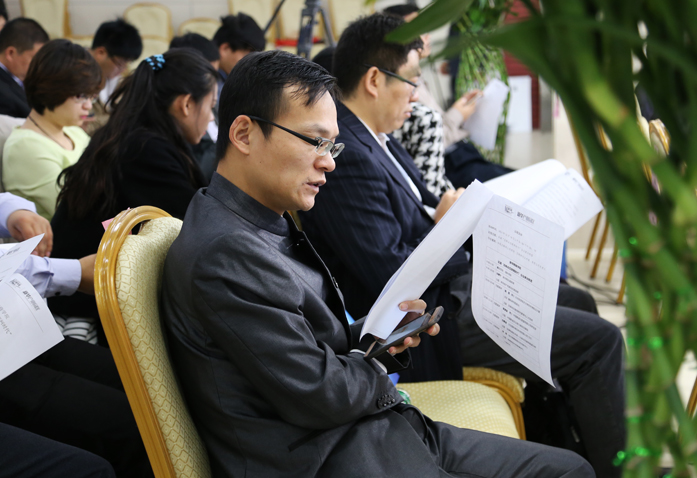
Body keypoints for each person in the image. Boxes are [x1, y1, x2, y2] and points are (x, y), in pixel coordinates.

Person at [159, 49, 593, 478]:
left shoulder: (250, 221)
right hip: (335, 458)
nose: (329, 161)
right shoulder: (225, 253)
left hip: (370, 436)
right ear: (244, 134)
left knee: (570, 468)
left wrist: (379, 334)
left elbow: (304, 347)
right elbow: (321, 394)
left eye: (332, 144)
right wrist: (377, 360)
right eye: (315, 141)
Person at [299, 13, 625, 478]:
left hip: (452, 290)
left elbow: (425, 214)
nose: (416, 94)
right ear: (374, 80)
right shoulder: (349, 155)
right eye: (411, 80)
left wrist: (465, 219)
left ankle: (568, 439)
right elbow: (387, 271)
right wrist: (453, 223)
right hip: (432, 317)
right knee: (601, 342)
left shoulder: (379, 141)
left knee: (578, 300)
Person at [49, 48, 216, 338]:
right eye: (211, 106)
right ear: (187, 104)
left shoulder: (134, 135)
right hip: (86, 306)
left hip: (92, 293)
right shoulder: (145, 149)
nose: (211, 117)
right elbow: (196, 229)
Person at [0, 192, 152, 478]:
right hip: (8, 357)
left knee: (145, 381)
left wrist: (11, 211)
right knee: (131, 428)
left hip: (18, 322)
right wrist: (73, 272)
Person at [2, 39, 101, 220]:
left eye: (91, 96)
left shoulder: (74, 132)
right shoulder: (26, 147)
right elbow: (78, 212)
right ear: (51, 89)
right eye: (80, 96)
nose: (88, 105)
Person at [169, 32, 221, 181]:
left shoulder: (212, 105)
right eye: (208, 75)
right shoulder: (180, 124)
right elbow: (198, 175)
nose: (213, 84)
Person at [83, 18, 143, 135]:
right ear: (101, 53)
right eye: (119, 64)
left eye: (127, 64)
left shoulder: (114, 77)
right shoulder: (74, 74)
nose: (123, 69)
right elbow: (81, 125)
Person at [0, 17, 48, 118]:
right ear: (11, 53)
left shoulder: (22, 80)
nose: (40, 65)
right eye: (34, 58)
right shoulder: (3, 94)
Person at [212, 13, 265, 101]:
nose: (252, 63)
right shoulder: (209, 84)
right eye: (248, 55)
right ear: (225, 49)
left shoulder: (227, 77)